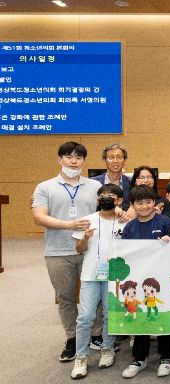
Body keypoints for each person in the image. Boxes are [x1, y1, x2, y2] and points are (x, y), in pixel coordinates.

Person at [32, 141, 103, 362]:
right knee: (65, 297)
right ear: (60, 159)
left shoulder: (95, 186)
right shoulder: (45, 187)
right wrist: (69, 225)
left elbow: (107, 212)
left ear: (84, 161)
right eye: (69, 157)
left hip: (90, 250)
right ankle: (72, 338)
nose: (74, 162)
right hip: (58, 251)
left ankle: (96, 334)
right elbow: (39, 217)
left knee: (95, 295)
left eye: (78, 158)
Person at [70, 184, 126, 379]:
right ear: (97, 199)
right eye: (102, 195)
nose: (106, 197)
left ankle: (107, 349)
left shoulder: (124, 221)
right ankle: (81, 357)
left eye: (111, 195)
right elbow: (79, 249)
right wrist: (85, 238)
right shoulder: (88, 220)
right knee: (85, 317)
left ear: (119, 200)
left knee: (110, 314)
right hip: (90, 274)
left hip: (115, 275)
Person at [121, 186, 170, 379]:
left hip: (162, 279)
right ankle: (139, 358)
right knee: (141, 318)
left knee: (163, 316)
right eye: (140, 203)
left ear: (154, 203)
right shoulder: (129, 227)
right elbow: (124, 254)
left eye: (148, 202)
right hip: (138, 281)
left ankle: (166, 357)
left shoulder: (165, 222)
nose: (144, 206)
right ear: (132, 205)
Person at [90, 143, 132, 210]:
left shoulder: (132, 182)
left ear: (125, 160)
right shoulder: (93, 182)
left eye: (119, 157)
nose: (115, 161)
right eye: (111, 157)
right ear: (104, 160)